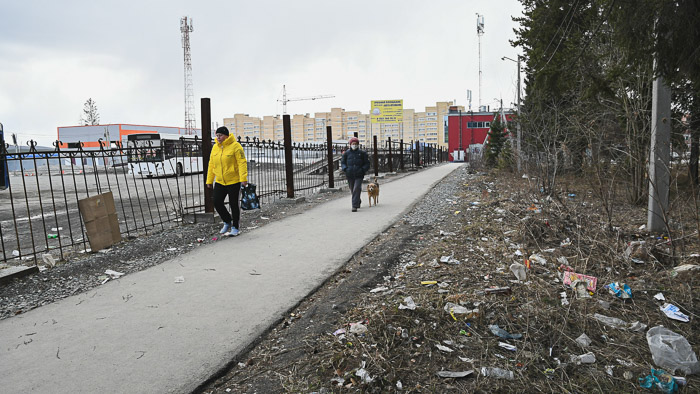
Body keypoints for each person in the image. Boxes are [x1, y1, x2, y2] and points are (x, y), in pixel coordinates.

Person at [206, 126, 248, 236]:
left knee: (234, 204)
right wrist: (209, 180)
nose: (218, 137)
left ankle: (235, 227)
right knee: (217, 201)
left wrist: (243, 178)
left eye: (220, 135)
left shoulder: (236, 146)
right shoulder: (215, 147)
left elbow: (242, 162)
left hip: (234, 180)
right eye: (217, 135)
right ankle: (227, 220)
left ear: (226, 136)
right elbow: (211, 165)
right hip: (220, 181)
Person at [340, 137, 370, 212]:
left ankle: (354, 206)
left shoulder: (362, 153)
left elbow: (367, 163)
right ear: (350, 144)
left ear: (358, 144)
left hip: (359, 174)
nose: (354, 145)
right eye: (353, 144)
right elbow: (343, 162)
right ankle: (358, 200)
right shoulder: (346, 153)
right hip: (349, 174)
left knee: (356, 188)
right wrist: (345, 169)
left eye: (356, 144)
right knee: (352, 189)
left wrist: (362, 169)